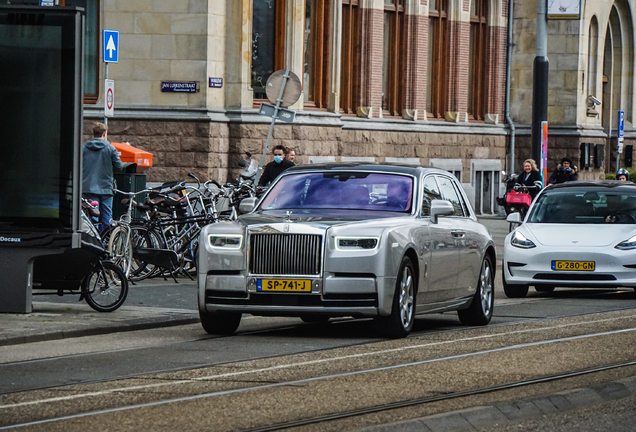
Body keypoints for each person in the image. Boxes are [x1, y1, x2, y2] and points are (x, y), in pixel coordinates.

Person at [82, 123, 123, 232]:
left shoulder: (84, 148)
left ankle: (93, 241)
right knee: (106, 218)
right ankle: (104, 242)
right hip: (106, 189)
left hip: (88, 188)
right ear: (104, 134)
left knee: (92, 217)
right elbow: (119, 166)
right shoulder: (110, 148)